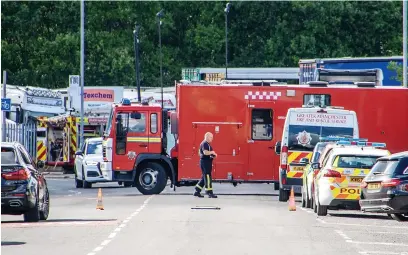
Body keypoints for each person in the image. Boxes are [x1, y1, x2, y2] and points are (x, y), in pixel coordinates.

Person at [194, 132, 218, 198]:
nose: (212, 139)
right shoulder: (204, 143)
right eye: (211, 137)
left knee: (204, 177)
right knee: (207, 177)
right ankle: (209, 192)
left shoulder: (206, 144)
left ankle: (197, 190)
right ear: (207, 137)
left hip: (205, 162)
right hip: (205, 162)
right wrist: (212, 152)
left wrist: (212, 155)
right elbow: (205, 152)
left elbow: (201, 153)